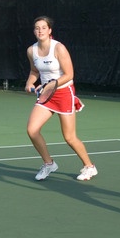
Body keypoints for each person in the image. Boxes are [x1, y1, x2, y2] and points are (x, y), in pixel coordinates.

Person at [25, 16, 97, 181]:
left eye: (44, 27)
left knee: (69, 137)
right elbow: (34, 71)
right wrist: (29, 82)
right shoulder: (32, 50)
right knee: (32, 130)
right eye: (37, 28)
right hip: (46, 95)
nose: (40, 31)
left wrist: (50, 85)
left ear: (50, 30)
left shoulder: (59, 48)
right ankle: (48, 163)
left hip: (64, 93)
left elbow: (70, 74)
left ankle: (89, 166)